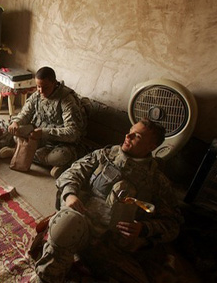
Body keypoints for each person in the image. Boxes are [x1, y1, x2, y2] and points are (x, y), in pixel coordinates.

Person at [33, 118, 183, 283]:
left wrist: (144, 228)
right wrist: (70, 195)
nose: (128, 136)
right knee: (66, 224)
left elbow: (173, 223)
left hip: (111, 244)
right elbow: (72, 173)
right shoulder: (104, 156)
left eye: (137, 136)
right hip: (81, 222)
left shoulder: (157, 181)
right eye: (130, 131)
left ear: (152, 147)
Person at [0, 66, 89, 178]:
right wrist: (16, 122)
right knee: (17, 131)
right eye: (38, 86)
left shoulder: (67, 100)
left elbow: (73, 133)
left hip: (60, 143)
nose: (40, 91)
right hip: (38, 135)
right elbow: (25, 113)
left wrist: (43, 132)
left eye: (45, 87)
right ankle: (23, 151)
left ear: (54, 83)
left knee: (60, 156)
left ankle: (23, 152)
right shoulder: (38, 94)